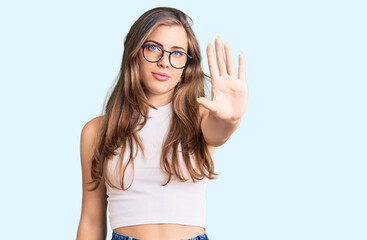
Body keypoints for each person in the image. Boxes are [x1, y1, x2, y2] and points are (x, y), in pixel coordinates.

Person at [76, 7, 247, 240]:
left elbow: (218, 132)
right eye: (154, 48)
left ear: (187, 66)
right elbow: (91, 220)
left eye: (177, 53)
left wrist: (231, 119)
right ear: (135, 52)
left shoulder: (199, 117)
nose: (164, 62)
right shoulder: (97, 131)